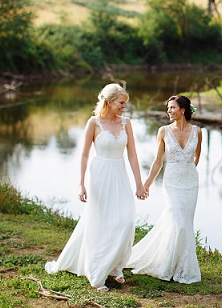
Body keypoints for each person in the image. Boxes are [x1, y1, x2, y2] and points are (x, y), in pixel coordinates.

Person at [45, 83, 147, 291]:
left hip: (120, 175)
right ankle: (98, 273)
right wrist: (80, 184)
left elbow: (133, 155)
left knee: (125, 221)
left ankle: (115, 266)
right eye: (121, 103)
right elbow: (83, 155)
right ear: (109, 102)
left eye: (125, 103)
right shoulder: (94, 123)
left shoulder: (126, 123)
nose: (124, 107)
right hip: (100, 175)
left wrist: (139, 183)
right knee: (101, 222)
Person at [126, 94, 202, 284]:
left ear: (183, 110)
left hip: (191, 183)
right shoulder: (163, 131)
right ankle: (166, 264)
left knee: (185, 224)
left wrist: (188, 172)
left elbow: (196, 157)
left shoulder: (198, 131)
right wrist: (146, 184)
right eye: (168, 108)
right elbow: (158, 161)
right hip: (172, 183)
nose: (169, 111)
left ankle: (182, 266)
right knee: (178, 221)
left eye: (172, 108)